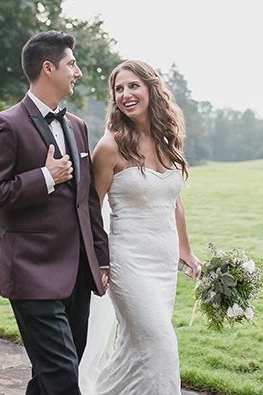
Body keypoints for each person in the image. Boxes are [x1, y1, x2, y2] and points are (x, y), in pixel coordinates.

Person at [0, 30, 110, 395]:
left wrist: (100, 257)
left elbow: (87, 201)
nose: (77, 72)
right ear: (48, 68)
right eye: (72, 64)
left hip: (77, 272)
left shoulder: (78, 126)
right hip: (32, 271)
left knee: (56, 374)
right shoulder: (5, 124)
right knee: (63, 376)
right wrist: (45, 177)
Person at [81, 59, 200, 394]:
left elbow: (174, 201)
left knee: (137, 348)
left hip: (163, 263)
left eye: (133, 85)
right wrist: (99, 261)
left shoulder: (168, 140)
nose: (125, 94)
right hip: (127, 260)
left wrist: (186, 250)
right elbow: (92, 207)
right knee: (161, 344)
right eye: (118, 88)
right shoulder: (110, 146)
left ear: (151, 88)